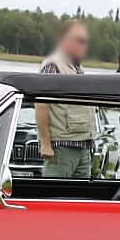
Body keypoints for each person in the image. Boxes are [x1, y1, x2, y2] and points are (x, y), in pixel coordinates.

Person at [36, 20, 96, 179]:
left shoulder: (78, 68)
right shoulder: (53, 66)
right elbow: (41, 104)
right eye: (79, 40)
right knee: (55, 193)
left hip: (83, 147)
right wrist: (45, 143)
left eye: (85, 41)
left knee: (81, 194)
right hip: (61, 149)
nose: (84, 46)